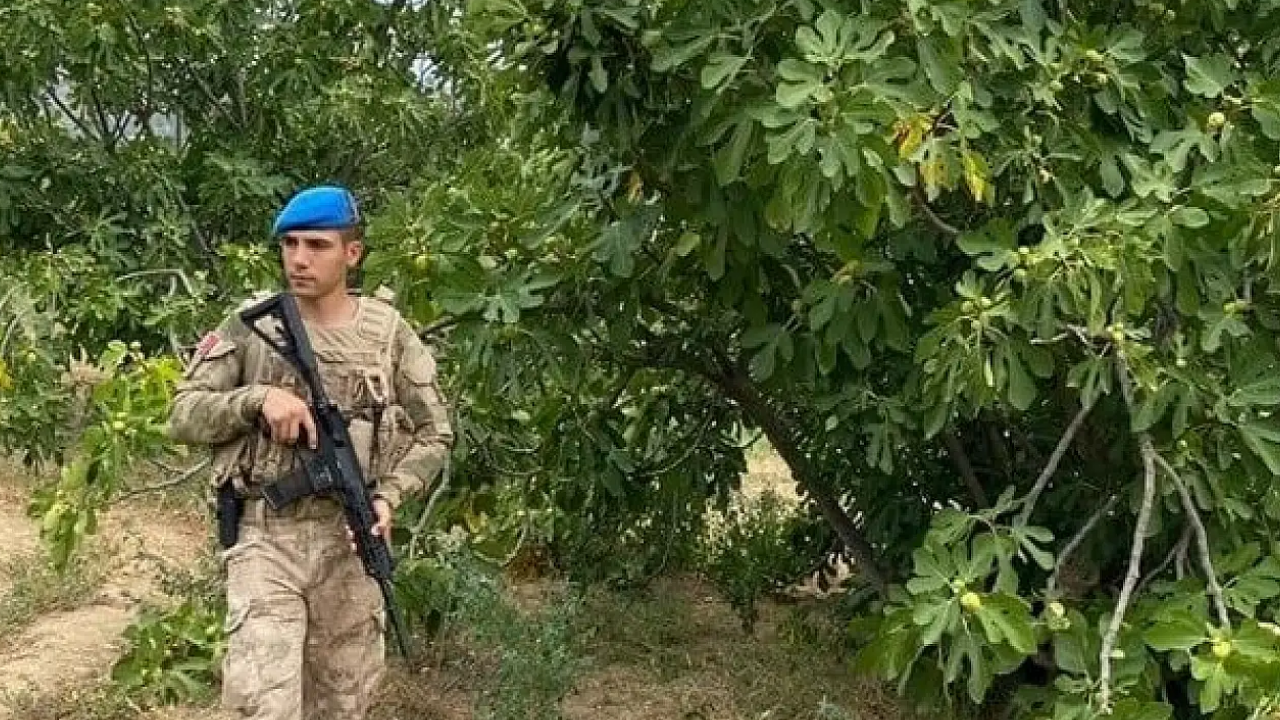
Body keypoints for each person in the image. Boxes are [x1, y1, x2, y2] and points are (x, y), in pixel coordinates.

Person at [167, 184, 454, 719]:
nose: (298, 259)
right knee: (262, 705)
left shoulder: (387, 333)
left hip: (348, 544)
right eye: (290, 244)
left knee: (343, 706)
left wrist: (389, 497)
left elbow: (435, 432)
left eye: (317, 246)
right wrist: (257, 400)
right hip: (265, 538)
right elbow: (182, 414)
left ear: (352, 253)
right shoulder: (254, 324)